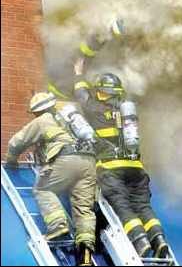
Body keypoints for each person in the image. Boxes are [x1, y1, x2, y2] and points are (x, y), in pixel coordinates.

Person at [73, 66, 169, 259]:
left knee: (122, 205)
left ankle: (140, 240)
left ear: (101, 91)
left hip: (111, 167)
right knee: (143, 206)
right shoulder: (126, 113)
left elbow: (81, 94)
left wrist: (78, 74)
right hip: (135, 167)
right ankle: (159, 240)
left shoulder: (95, 108)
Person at [6, 92, 96, 266]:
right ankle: (85, 257)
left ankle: (57, 226)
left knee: (42, 189)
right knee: (84, 210)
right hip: (88, 162)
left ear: (37, 111)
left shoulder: (42, 120)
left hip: (66, 160)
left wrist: (11, 162)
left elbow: (15, 143)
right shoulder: (69, 118)